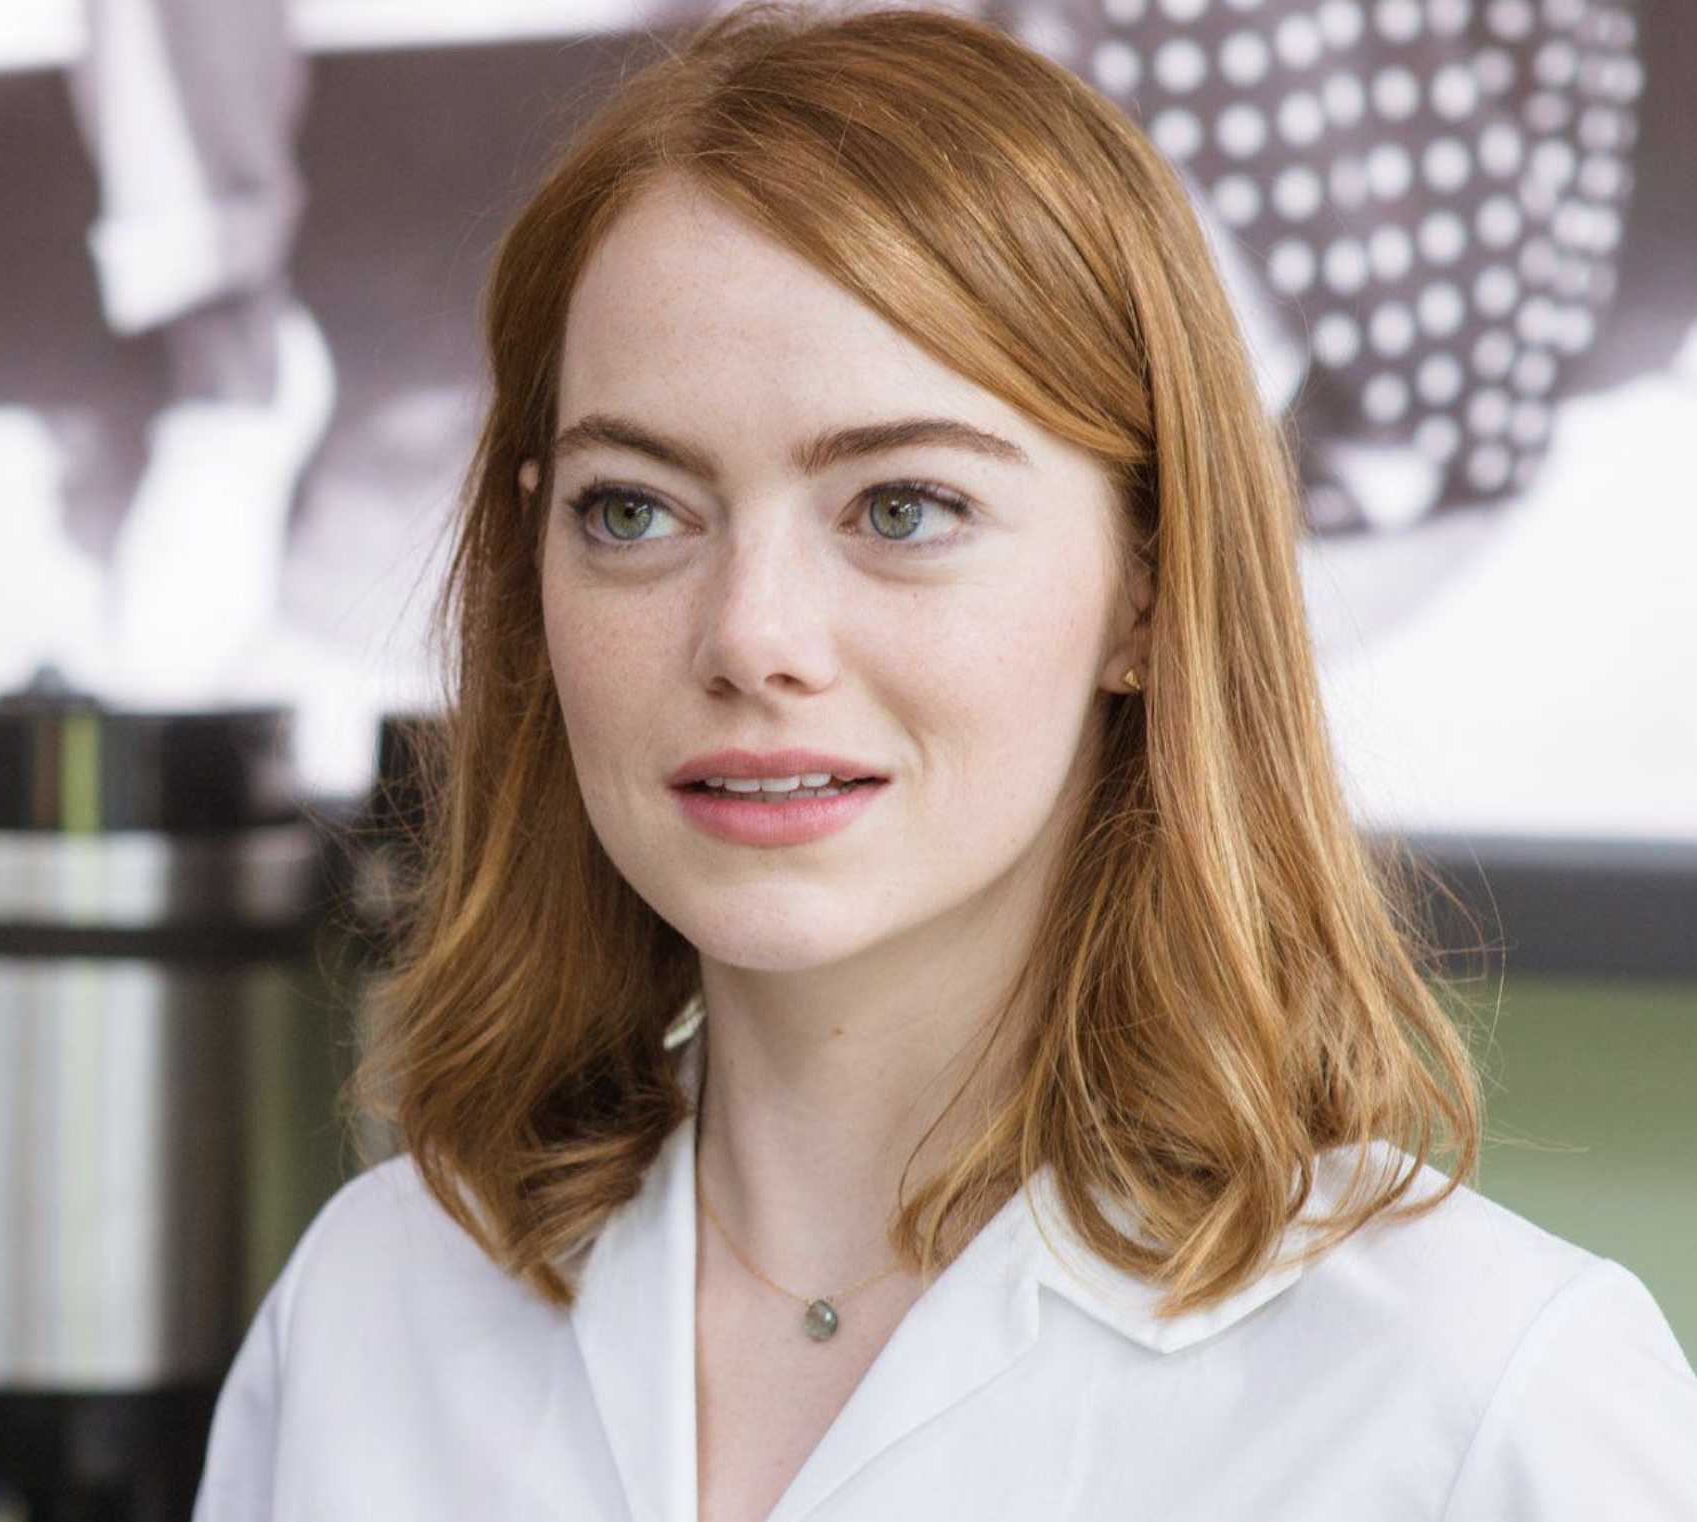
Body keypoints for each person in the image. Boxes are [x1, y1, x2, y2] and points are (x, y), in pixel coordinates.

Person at [190, 6, 1697, 1519]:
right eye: (635, 510)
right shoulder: (370, 1314)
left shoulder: (1480, 1403)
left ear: (1148, 587)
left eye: (901, 508)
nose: (752, 636)